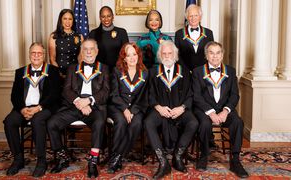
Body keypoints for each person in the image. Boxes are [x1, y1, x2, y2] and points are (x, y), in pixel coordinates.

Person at [47, 39, 110, 178]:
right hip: (74, 106)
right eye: (85, 49)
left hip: (95, 107)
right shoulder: (72, 68)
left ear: (97, 51)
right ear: (81, 51)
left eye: (92, 49)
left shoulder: (104, 68)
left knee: (99, 123)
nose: (88, 52)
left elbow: (105, 92)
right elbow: (66, 90)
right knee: (52, 123)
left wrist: (88, 101)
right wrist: (79, 102)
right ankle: (62, 157)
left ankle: (93, 161)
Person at [192, 41, 249, 178]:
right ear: (206, 55)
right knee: (204, 123)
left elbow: (235, 95)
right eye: (211, 53)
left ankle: (235, 160)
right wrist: (211, 112)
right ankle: (204, 155)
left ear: (222, 55)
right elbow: (197, 96)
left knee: (238, 122)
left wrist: (225, 111)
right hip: (205, 109)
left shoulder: (230, 71)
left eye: (218, 53)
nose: (215, 56)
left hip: (225, 109)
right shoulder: (198, 72)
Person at [3, 42, 61, 177]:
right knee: (9, 122)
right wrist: (22, 109)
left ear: (44, 55)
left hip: (44, 107)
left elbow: (54, 95)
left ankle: (41, 161)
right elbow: (14, 95)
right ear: (29, 55)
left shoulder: (52, 71)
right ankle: (18, 159)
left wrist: (38, 108)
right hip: (24, 108)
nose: (36, 56)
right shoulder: (20, 72)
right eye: (33, 53)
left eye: (39, 53)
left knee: (37, 121)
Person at [144, 40, 198, 179]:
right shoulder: (153, 72)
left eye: (170, 53)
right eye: (164, 53)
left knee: (193, 122)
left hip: (179, 109)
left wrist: (182, 108)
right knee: (148, 123)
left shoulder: (185, 72)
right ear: (160, 55)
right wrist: (158, 107)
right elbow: (149, 93)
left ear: (175, 54)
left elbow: (191, 94)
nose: (167, 56)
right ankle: (163, 162)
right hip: (160, 109)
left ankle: (177, 156)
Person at [107, 43, 148, 173]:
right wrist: (124, 109)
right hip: (118, 107)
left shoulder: (145, 73)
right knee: (120, 122)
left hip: (137, 108)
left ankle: (117, 156)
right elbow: (113, 94)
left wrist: (133, 111)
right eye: (128, 55)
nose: (131, 58)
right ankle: (117, 156)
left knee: (136, 124)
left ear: (138, 56)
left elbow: (144, 97)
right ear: (124, 58)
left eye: (134, 54)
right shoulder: (116, 71)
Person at [89, 6, 129, 72]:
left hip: (117, 70)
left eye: (108, 16)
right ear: (100, 18)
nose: (106, 19)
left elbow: (126, 53)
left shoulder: (121, 32)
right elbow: (90, 54)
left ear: (113, 17)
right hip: (99, 70)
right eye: (103, 16)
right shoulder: (93, 33)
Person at [175, 4, 214, 71]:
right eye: (191, 16)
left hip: (203, 72)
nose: (193, 18)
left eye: (196, 15)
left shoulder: (208, 33)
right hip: (185, 72)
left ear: (200, 17)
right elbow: (177, 54)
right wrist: (185, 70)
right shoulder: (179, 34)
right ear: (187, 17)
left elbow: (211, 53)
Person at [48, 9, 84, 77]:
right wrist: (59, 74)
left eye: (70, 19)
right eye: (65, 19)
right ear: (60, 20)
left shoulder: (79, 37)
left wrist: (79, 73)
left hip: (75, 74)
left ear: (73, 21)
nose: (67, 22)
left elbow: (80, 58)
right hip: (58, 74)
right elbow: (52, 59)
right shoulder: (54, 37)